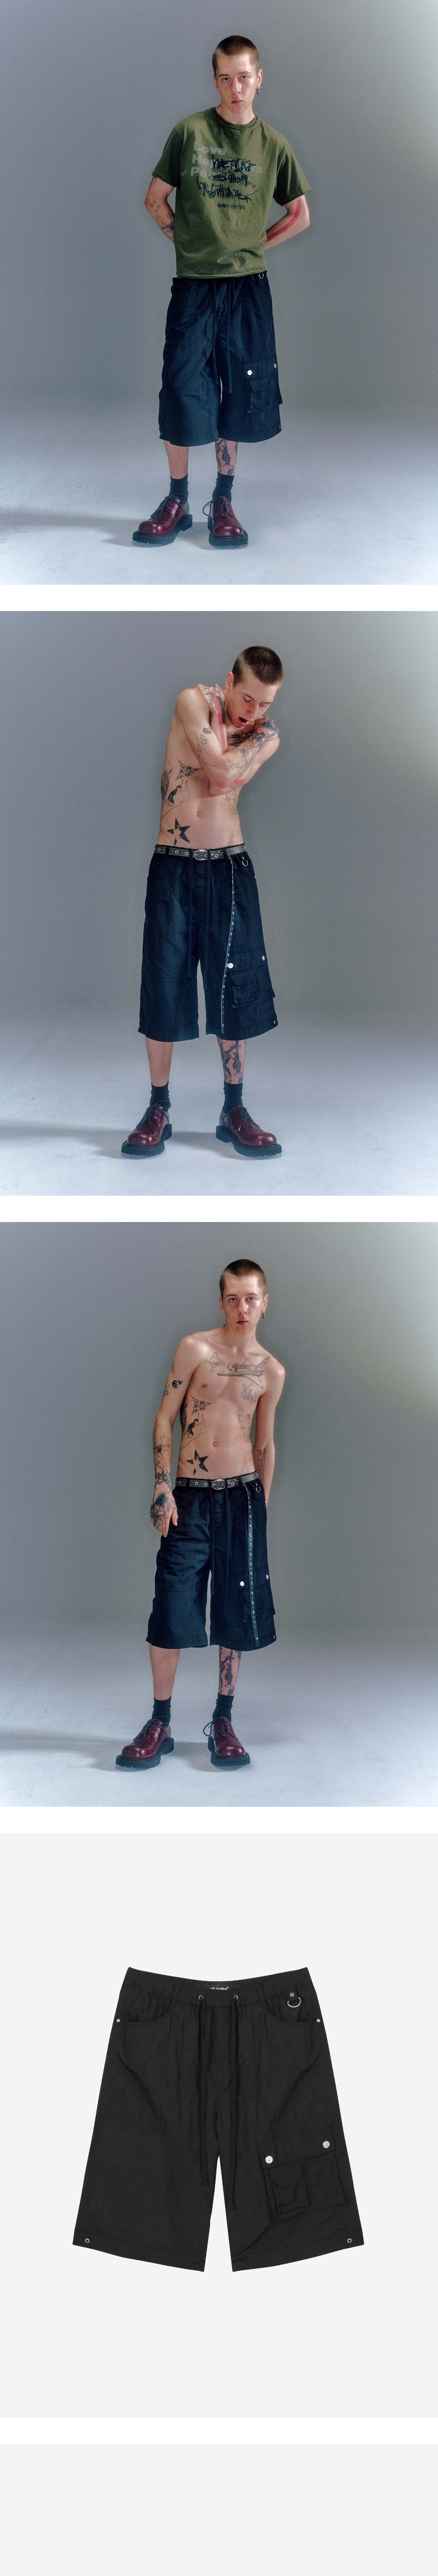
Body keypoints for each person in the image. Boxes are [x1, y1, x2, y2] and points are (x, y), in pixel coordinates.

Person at [133, 31, 309, 551]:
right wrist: (186, 242)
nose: (236, 88)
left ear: (259, 79)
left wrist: (252, 247)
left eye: (245, 78)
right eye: (226, 78)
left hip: (246, 288)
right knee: (182, 386)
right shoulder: (189, 133)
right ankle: (178, 500)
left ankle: (223, 501)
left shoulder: (273, 144)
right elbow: (154, 199)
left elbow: (299, 215)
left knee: (238, 388)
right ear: (215, 80)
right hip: (195, 287)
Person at [116, 1256, 285, 1773]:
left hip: (242, 1497)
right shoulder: (195, 1348)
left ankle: (223, 1720)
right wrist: (162, 1486)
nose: (242, 1308)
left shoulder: (271, 1370)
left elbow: (265, 1444)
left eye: (251, 1298)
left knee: (235, 1610)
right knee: (170, 1606)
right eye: (233, 1298)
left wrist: (261, 1510)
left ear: (265, 1303)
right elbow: (164, 1418)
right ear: (221, 1302)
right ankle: (160, 1722)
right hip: (190, 1495)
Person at [122, 644, 283, 1163]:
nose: (254, 713)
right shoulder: (192, 701)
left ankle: (234, 1109)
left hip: (229, 867)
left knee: (235, 984)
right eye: (247, 699)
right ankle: (158, 1107)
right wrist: (242, 747)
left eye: (265, 705)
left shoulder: (268, 734)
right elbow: (221, 776)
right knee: (164, 980)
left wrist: (244, 743)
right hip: (174, 864)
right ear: (229, 681)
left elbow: (223, 776)